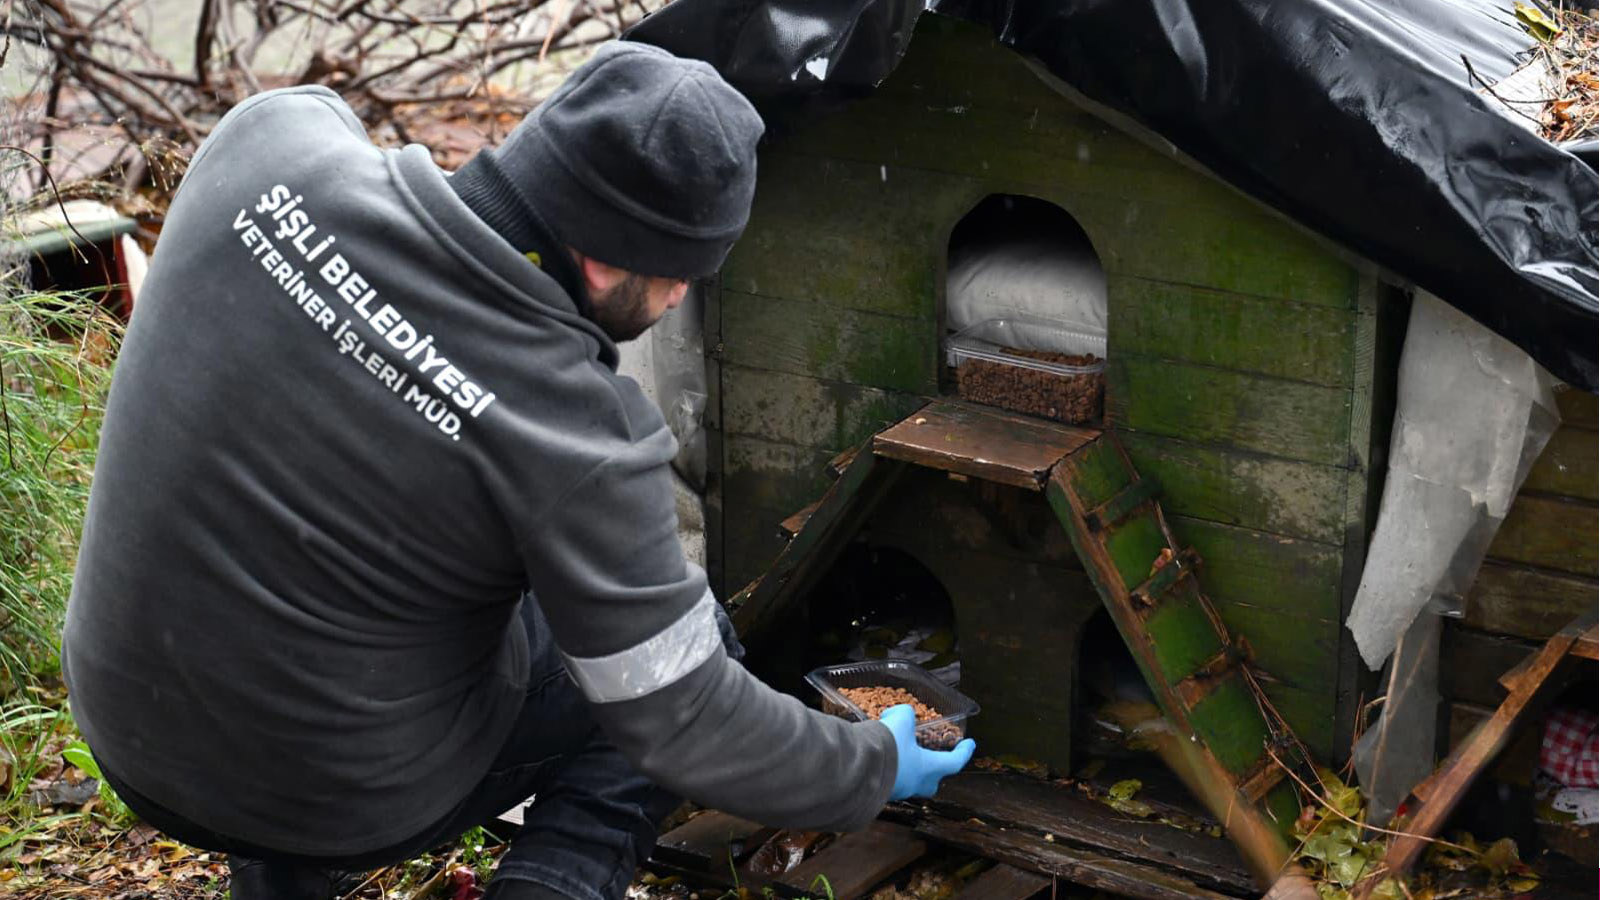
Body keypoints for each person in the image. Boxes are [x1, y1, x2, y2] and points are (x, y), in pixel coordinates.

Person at [61, 42, 975, 900]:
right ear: (606, 259)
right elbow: (689, 718)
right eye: (682, 275)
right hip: (335, 798)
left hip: (129, 722)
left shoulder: (266, 148)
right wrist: (871, 765)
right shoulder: (575, 433)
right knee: (686, 657)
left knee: (314, 564)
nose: (679, 299)